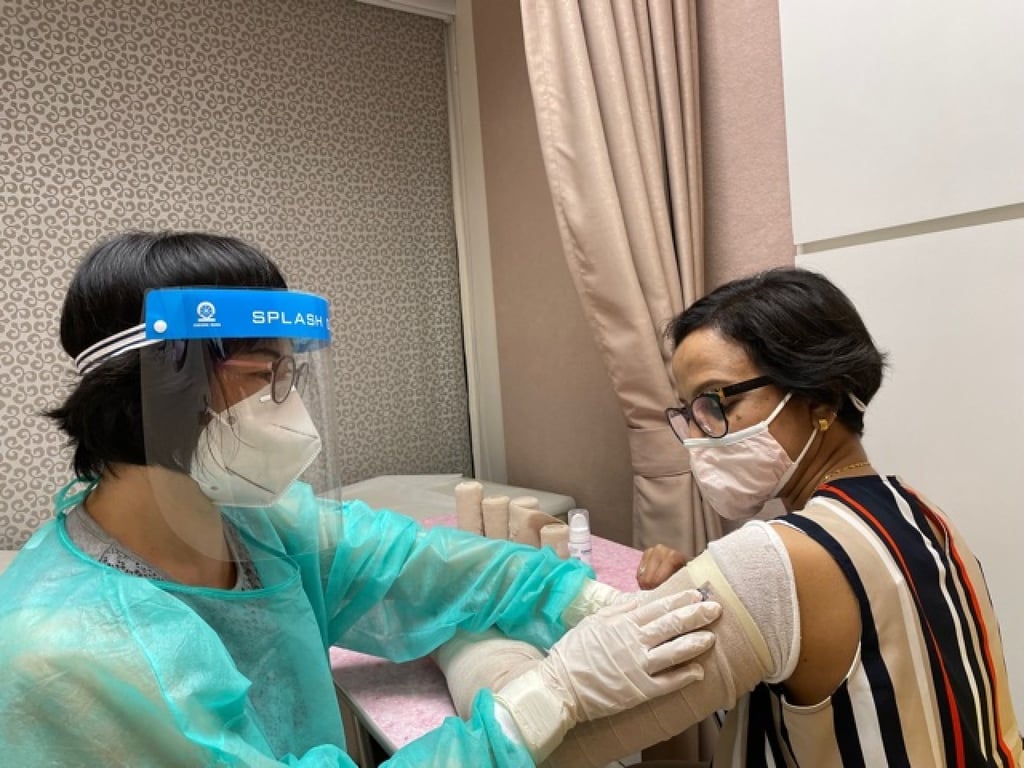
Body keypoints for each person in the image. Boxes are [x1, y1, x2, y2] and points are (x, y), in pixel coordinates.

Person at [0, 231, 722, 767]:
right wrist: (548, 697)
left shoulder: (255, 529)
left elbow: (421, 565)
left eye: (295, 378)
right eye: (263, 379)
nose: (293, 416)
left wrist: (580, 601)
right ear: (156, 387)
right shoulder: (77, 655)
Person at [433, 267, 1022, 768]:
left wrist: (454, 627)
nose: (699, 438)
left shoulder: (778, 559)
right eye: (689, 412)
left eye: (718, 402)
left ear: (820, 397)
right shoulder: (924, 515)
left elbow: (540, 744)